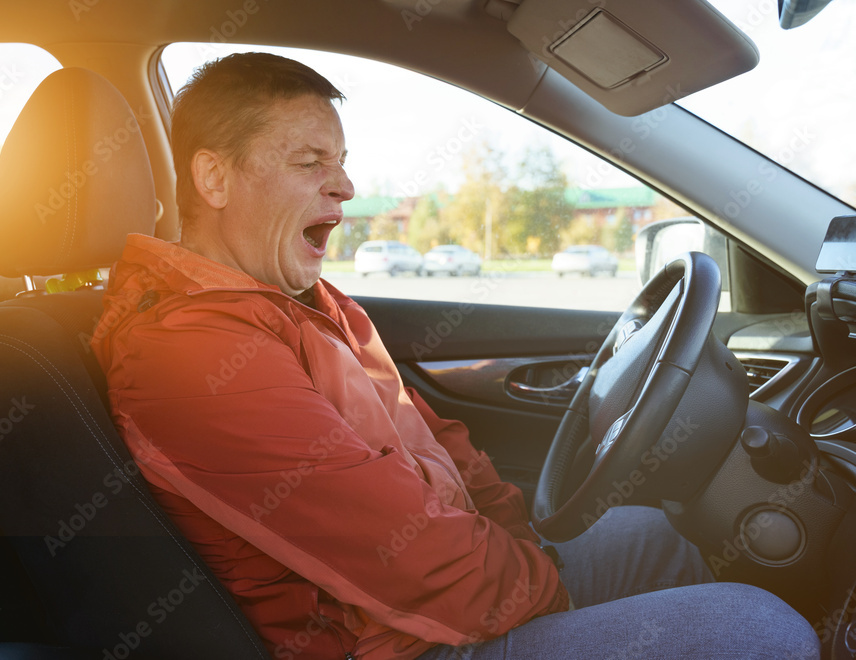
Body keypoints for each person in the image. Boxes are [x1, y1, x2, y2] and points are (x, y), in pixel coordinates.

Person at [91, 52, 819, 659]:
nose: (345, 186)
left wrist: (521, 540)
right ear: (214, 179)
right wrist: (545, 591)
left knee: (665, 535)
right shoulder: (187, 353)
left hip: (439, 601)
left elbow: (434, 437)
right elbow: (400, 558)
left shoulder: (305, 298)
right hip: (396, 644)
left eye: (341, 161)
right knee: (760, 632)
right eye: (310, 161)